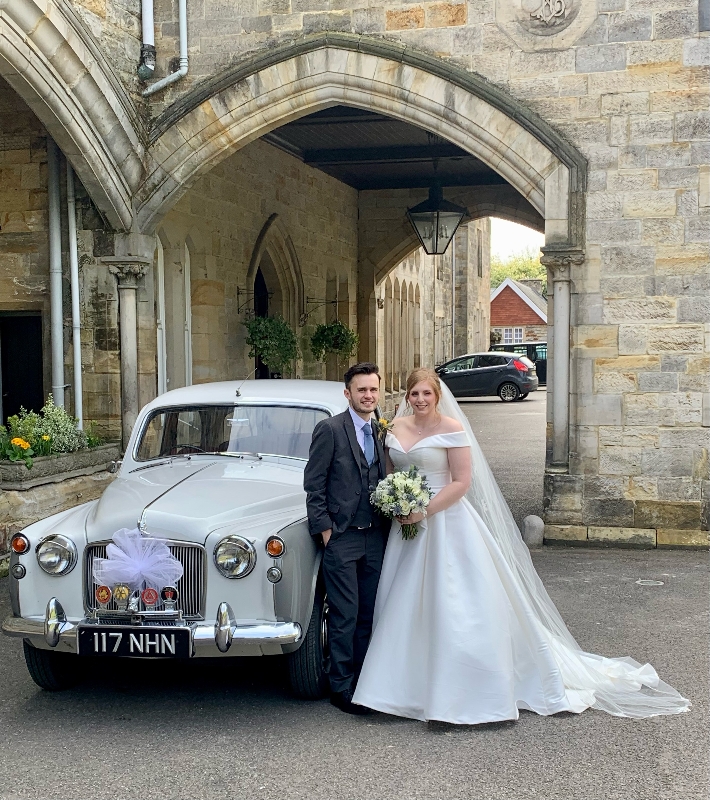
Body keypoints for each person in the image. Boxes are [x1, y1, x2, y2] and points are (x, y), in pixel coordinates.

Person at [352, 367, 690, 723]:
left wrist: (424, 511)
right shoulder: (393, 428)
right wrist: (396, 503)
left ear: (437, 396)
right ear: (407, 396)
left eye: (427, 394)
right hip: (406, 528)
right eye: (414, 394)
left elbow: (461, 482)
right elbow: (391, 475)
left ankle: (459, 690)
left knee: (453, 601)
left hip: (445, 522)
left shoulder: (452, 429)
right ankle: (398, 689)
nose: (420, 400)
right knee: (404, 601)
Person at [303, 362, 387, 715]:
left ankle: (364, 681)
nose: (368, 396)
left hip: (376, 536)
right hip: (342, 537)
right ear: (348, 393)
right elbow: (314, 484)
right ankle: (341, 686)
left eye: (372, 389)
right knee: (345, 614)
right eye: (361, 390)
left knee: (370, 613)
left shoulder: (382, 429)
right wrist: (326, 532)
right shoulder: (330, 429)